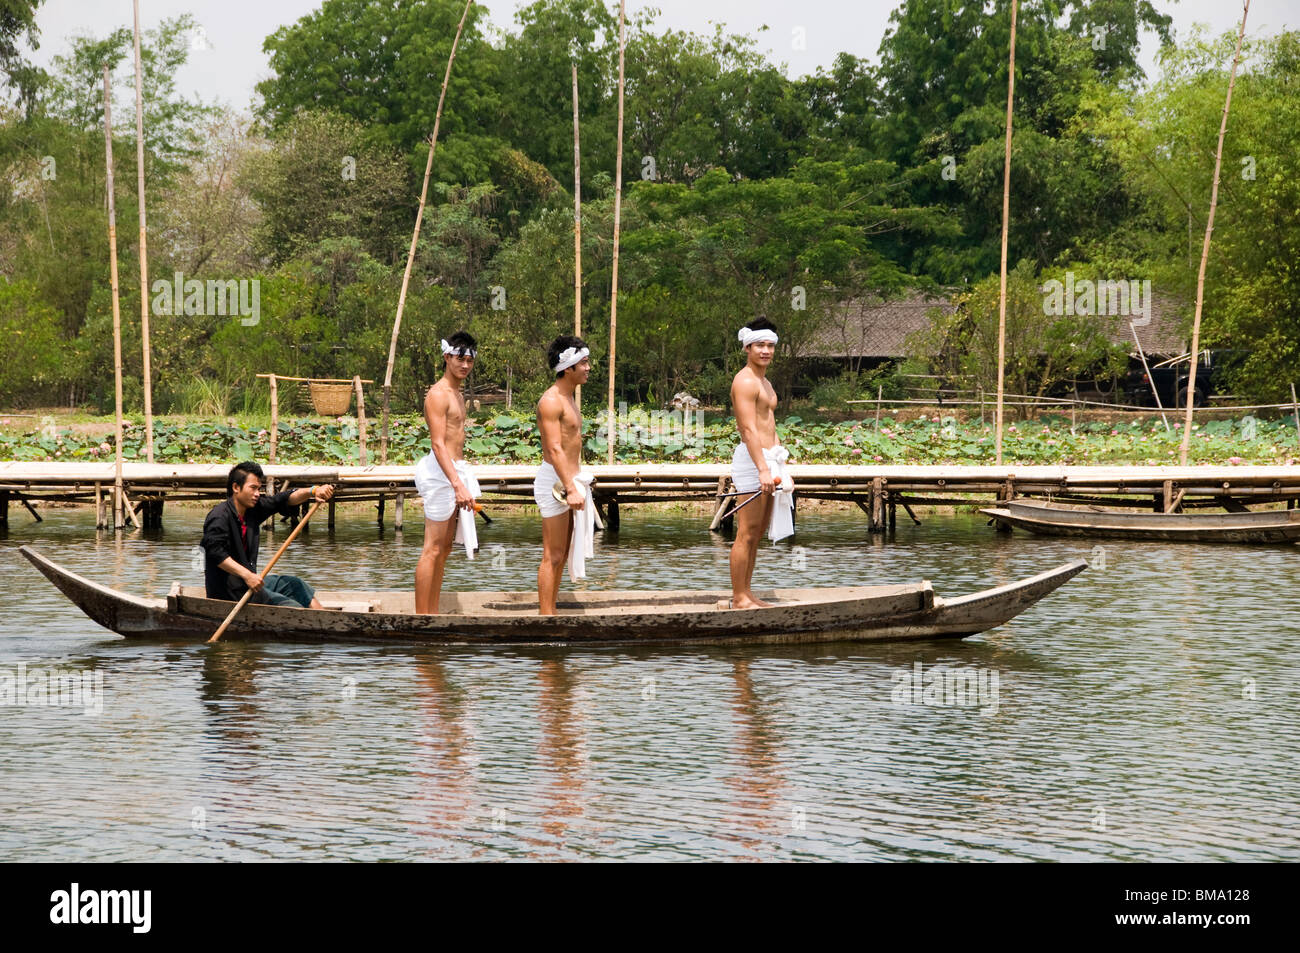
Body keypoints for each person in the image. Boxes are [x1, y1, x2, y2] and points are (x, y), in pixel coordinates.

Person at [201, 461, 334, 608]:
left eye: (259, 488)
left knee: (295, 585)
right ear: (236, 487)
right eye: (253, 488)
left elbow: (282, 500)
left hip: (249, 583)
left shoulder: (252, 510)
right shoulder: (219, 516)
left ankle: (324, 620)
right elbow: (215, 553)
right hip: (229, 593)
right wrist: (248, 575)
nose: (257, 494)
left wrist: (313, 491)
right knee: (290, 606)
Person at [729, 316, 795, 609]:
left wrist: (780, 464)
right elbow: (748, 429)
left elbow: (770, 425)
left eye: (770, 345)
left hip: (769, 459)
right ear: (748, 348)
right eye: (760, 345)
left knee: (756, 534)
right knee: (746, 532)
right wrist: (763, 468)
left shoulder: (764, 382)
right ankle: (739, 597)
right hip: (753, 461)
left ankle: (748, 593)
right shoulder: (745, 381)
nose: (766, 351)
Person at [414, 330, 481, 614]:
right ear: (446, 357)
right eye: (459, 359)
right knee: (432, 548)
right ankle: (422, 616)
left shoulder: (457, 392)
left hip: (453, 471)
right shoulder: (438, 394)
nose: (464, 365)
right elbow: (438, 444)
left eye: (469, 360)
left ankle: (432, 611)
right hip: (440, 473)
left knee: (444, 550)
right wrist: (457, 485)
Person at [534, 335, 595, 615]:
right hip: (556, 482)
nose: (588, 367)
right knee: (553, 554)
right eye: (583, 363)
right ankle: (546, 616)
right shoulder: (551, 401)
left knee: (562, 553)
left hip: (568, 481)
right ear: (568, 367)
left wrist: (575, 483)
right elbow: (554, 448)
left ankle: (552, 609)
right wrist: (570, 487)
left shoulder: (569, 397)